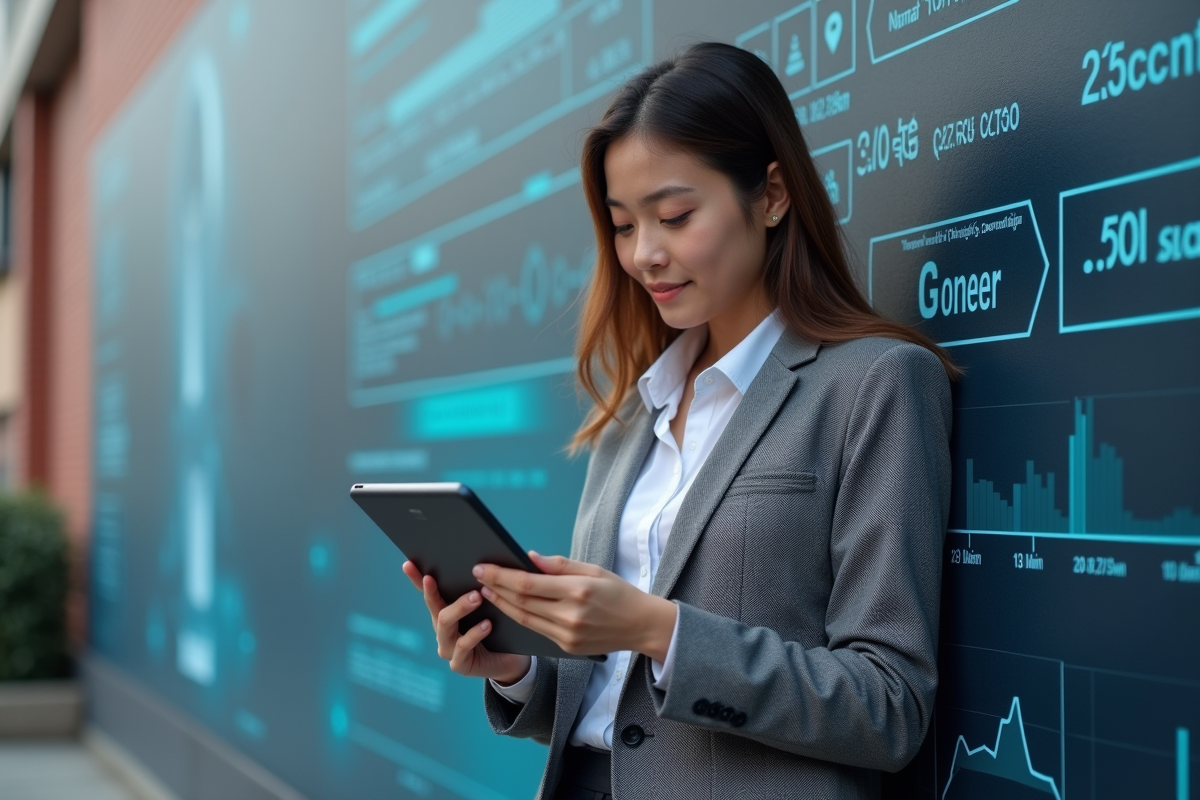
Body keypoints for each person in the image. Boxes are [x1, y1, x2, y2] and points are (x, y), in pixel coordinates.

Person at [402, 41, 956, 800]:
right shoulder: (638, 407)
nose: (645, 256)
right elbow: (615, 707)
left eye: (674, 215)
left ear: (771, 194)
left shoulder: (876, 384)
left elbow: (887, 705)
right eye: (624, 225)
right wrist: (516, 667)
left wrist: (658, 630)